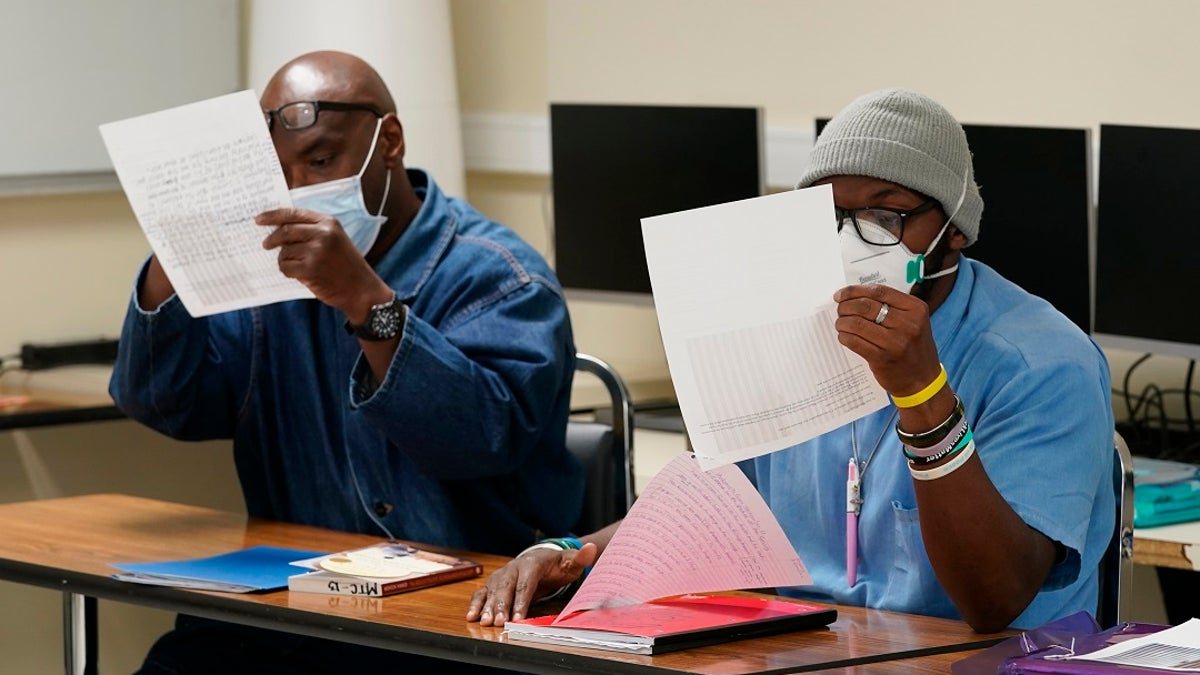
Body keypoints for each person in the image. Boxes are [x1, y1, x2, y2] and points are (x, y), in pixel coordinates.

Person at [466, 88, 1114, 634]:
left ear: (956, 229)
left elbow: (996, 599)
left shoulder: (1043, 362)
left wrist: (922, 394)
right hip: (803, 648)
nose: (853, 240)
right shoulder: (786, 330)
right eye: (831, 214)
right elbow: (709, 509)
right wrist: (572, 553)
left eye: (887, 215)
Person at [110, 50, 582, 673]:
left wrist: (365, 300)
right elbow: (167, 405)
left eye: (322, 161)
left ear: (389, 141)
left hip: (454, 623)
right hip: (286, 610)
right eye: (281, 172)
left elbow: (478, 441)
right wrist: (173, 255)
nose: (301, 190)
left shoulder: (500, 277)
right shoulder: (269, 275)